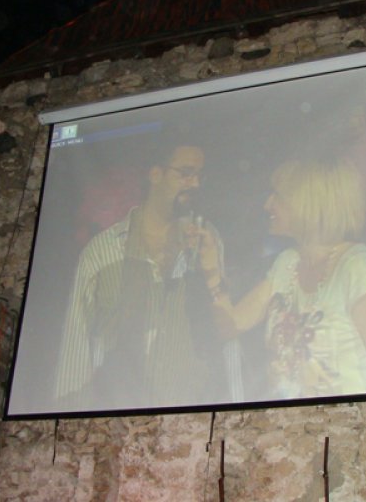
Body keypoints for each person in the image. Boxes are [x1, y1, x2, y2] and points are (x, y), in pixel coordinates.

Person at [199, 158, 366, 399]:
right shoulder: (287, 264)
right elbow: (230, 326)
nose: (267, 204)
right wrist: (211, 267)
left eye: (277, 196)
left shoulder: (360, 269)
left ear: (308, 203)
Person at [55, 142, 241, 409]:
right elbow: (77, 340)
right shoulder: (104, 249)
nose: (196, 184)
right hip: (120, 413)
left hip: (193, 410)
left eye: (200, 176)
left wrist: (238, 400)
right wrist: (68, 412)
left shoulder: (206, 239)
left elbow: (225, 328)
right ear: (156, 174)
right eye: (186, 173)